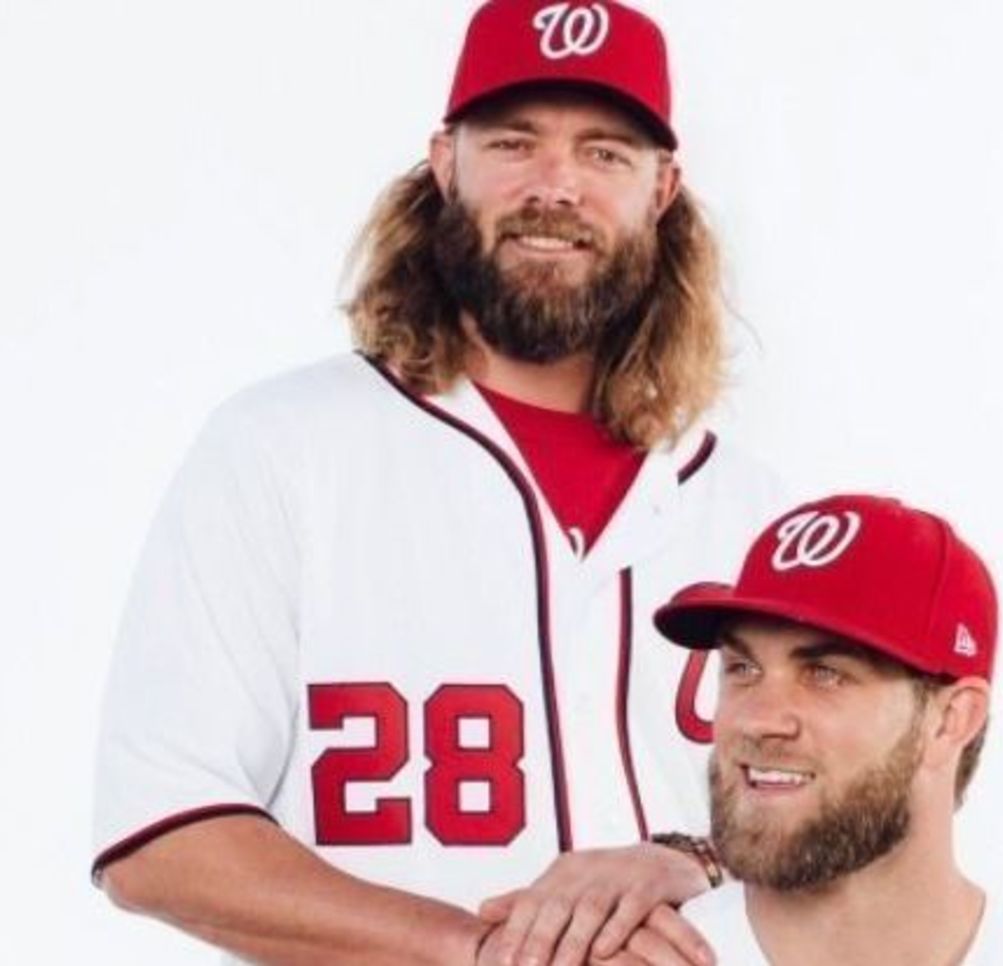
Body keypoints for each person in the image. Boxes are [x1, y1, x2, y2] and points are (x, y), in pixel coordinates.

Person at [91, 2, 785, 963]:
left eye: (605, 153)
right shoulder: (283, 450)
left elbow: (846, 833)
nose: (557, 186)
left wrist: (692, 858)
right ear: (444, 161)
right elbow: (159, 834)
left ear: (663, 190)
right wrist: (481, 951)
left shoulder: (749, 510)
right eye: (514, 142)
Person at [648, 494, 1003, 965]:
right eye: (743, 667)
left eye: (825, 674)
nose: (758, 719)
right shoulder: (624, 953)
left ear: (951, 720)